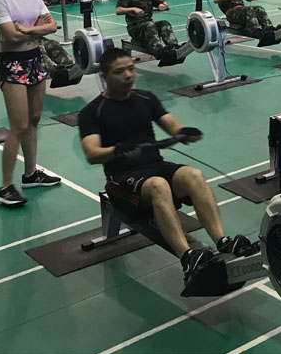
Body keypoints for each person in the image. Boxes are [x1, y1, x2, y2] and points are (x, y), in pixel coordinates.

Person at [79, 48, 254, 285]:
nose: (128, 75)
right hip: (121, 179)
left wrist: (183, 132)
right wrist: (117, 150)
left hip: (155, 166)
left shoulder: (145, 98)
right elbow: (92, 154)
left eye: (131, 69)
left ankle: (223, 241)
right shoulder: (92, 112)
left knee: (193, 175)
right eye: (120, 71)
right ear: (105, 76)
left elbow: (171, 125)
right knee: (159, 185)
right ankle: (188, 257)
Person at [0, 0, 62, 207]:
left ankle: (31, 174)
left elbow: (52, 25)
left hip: (35, 60)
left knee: (33, 120)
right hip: (13, 63)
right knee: (18, 126)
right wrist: (36, 30)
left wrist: (28, 29)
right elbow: (10, 36)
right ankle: (5, 186)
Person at [115, 0, 183, 61]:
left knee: (164, 23)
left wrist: (162, 5)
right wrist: (133, 9)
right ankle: (159, 52)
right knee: (150, 25)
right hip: (135, 29)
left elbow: (162, 2)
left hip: (149, 27)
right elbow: (118, 10)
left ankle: (174, 47)